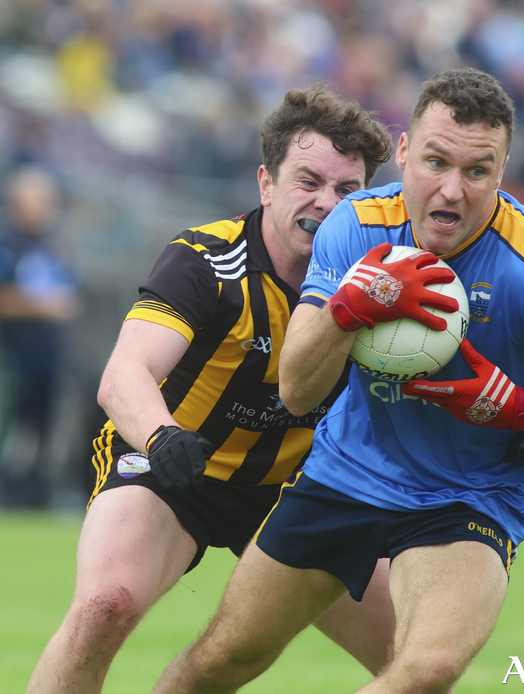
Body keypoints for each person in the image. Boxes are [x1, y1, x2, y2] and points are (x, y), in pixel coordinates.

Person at [150, 67, 524, 694]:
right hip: (342, 476)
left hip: (466, 501)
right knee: (219, 661)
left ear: (501, 174)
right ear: (403, 154)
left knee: (427, 670)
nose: (452, 190)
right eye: (435, 162)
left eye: (477, 171)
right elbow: (297, 390)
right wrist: (354, 305)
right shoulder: (356, 225)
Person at [27, 85, 397, 694]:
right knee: (104, 607)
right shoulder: (206, 259)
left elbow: (449, 368)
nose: (327, 203)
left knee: (415, 661)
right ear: (266, 183)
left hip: (299, 490)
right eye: (308, 181)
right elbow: (124, 376)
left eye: (347, 191)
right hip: (174, 470)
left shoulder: (384, 282)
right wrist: (162, 435)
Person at [0, 165, 82, 508]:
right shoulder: (7, 244)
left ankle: (35, 496)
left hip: (47, 359)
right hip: (11, 359)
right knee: (12, 426)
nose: (47, 208)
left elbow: (72, 295)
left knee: (42, 430)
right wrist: (43, 306)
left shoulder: (53, 246)